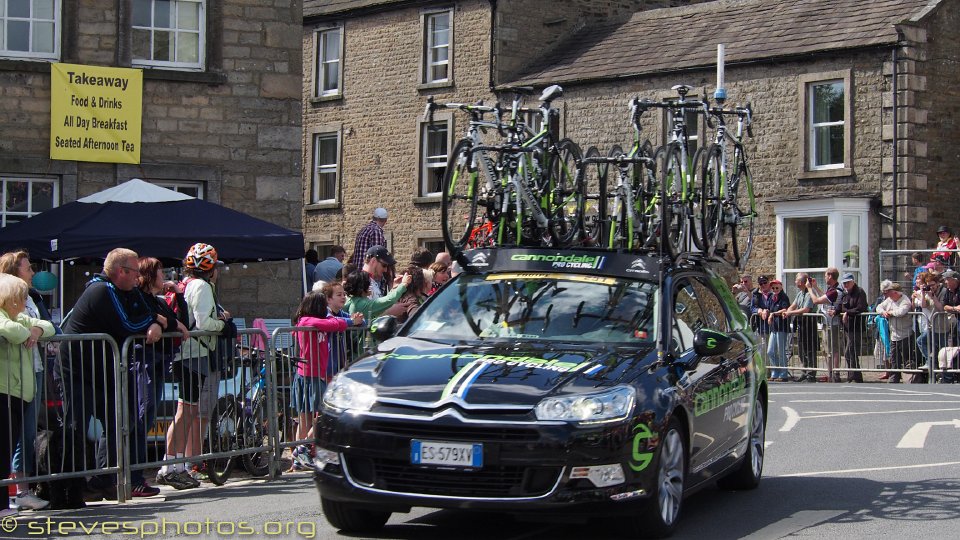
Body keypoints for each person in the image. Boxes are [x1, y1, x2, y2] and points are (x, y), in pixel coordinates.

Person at [63, 248, 165, 499]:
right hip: (78, 370)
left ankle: (104, 480)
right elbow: (126, 325)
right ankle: (68, 485)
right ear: (121, 271)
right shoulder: (102, 290)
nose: (137, 278)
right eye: (134, 272)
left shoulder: (126, 292)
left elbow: (148, 313)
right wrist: (153, 321)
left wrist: (156, 320)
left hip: (103, 369)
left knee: (120, 421)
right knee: (75, 426)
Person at [157, 243, 229, 490]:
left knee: (187, 410)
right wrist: (223, 324)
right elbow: (203, 323)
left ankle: (175, 464)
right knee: (185, 411)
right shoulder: (202, 286)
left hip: (186, 352)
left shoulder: (187, 283)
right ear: (212, 269)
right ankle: (171, 466)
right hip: (194, 353)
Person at [0, 251, 57, 510]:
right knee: (4, 446)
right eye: (28, 268)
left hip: (21, 388)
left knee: (14, 441)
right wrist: (27, 331)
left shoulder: (18, 314)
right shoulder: (7, 315)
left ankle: (16, 494)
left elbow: (49, 326)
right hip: (6, 388)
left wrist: (35, 329)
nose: (33, 272)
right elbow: (10, 331)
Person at [289, 291, 362, 471]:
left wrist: (347, 322)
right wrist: (351, 322)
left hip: (316, 374)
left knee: (312, 416)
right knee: (320, 414)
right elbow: (330, 324)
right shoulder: (306, 320)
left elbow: (333, 323)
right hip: (307, 375)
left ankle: (299, 455)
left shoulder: (321, 321)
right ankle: (301, 450)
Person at [135, 258, 190, 488]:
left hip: (159, 362)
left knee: (148, 413)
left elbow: (182, 322)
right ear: (149, 275)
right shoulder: (140, 298)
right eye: (159, 272)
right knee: (142, 414)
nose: (163, 276)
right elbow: (169, 322)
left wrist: (178, 295)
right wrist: (167, 322)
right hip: (143, 362)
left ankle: (137, 476)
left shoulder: (157, 301)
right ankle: (134, 475)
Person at [876, 280, 918, 383]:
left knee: (907, 358)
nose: (888, 294)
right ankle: (894, 377)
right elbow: (878, 307)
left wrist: (890, 313)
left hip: (905, 334)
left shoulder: (905, 300)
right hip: (894, 334)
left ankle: (910, 378)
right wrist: (883, 312)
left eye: (890, 292)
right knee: (894, 358)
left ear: (896, 292)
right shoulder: (889, 300)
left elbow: (901, 312)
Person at [783, 273, 819, 382]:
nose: (795, 282)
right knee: (802, 349)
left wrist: (790, 313)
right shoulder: (800, 294)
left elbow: (806, 309)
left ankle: (811, 374)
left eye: (796, 280)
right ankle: (804, 371)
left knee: (809, 349)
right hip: (801, 323)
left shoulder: (809, 294)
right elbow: (793, 305)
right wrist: (787, 311)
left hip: (809, 323)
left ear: (802, 282)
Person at [809, 268, 842, 382]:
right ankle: (831, 372)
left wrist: (809, 289)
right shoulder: (831, 290)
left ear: (830, 276)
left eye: (825, 275)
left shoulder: (835, 291)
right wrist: (815, 287)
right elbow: (825, 297)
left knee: (833, 349)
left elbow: (816, 301)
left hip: (832, 324)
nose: (824, 277)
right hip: (826, 323)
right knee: (827, 350)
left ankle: (835, 373)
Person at [834, 273, 868, 383]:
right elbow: (840, 306)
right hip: (847, 327)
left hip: (856, 326)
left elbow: (860, 308)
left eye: (847, 282)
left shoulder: (860, 292)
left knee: (850, 351)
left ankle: (853, 375)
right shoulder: (845, 293)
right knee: (849, 352)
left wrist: (847, 313)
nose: (846, 284)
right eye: (844, 283)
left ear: (853, 282)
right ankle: (855, 375)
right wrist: (835, 311)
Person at [344, 270, 413, 321]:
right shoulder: (362, 304)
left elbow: (385, 300)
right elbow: (389, 300)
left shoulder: (352, 300)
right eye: (368, 284)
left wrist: (394, 288)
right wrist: (404, 284)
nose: (370, 286)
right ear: (361, 287)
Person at [763, 280, 791, 381]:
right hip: (774, 328)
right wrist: (766, 311)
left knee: (781, 351)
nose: (775, 290)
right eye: (773, 288)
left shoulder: (784, 297)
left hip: (781, 327)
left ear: (781, 287)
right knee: (770, 351)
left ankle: (783, 374)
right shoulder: (771, 297)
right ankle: (775, 372)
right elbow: (768, 308)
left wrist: (773, 314)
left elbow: (785, 309)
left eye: (777, 288)